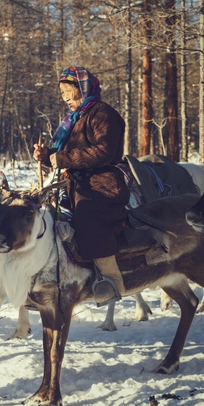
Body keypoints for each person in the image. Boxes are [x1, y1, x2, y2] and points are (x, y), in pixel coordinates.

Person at [33, 66, 129, 304]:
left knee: (89, 219)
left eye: (68, 90)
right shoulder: (74, 120)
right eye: (62, 92)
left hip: (103, 185)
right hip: (75, 185)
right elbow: (70, 153)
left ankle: (110, 280)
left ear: (83, 88)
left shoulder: (103, 114)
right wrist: (48, 155)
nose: (64, 97)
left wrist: (63, 158)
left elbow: (103, 151)